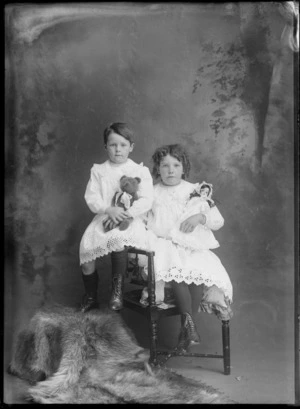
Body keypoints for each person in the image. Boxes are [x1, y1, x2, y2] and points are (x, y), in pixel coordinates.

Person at [145, 144, 233, 351]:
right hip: (164, 245)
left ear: (184, 168)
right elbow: (144, 222)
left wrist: (199, 217)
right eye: (164, 166)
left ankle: (188, 328)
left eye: (176, 165)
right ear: (157, 169)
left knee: (195, 276)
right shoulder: (152, 193)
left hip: (190, 246)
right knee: (177, 273)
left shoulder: (194, 190)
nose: (170, 170)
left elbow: (217, 221)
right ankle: (189, 328)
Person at [79, 122, 153, 313]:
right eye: (113, 145)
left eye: (123, 145)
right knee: (86, 249)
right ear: (106, 147)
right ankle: (90, 296)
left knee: (118, 241)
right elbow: (92, 197)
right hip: (105, 216)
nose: (118, 150)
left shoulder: (139, 171)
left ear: (131, 147)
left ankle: (117, 290)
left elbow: (146, 200)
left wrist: (126, 213)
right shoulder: (98, 170)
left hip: (130, 219)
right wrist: (108, 209)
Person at [168, 181, 220, 251]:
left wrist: (201, 217)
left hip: (195, 221)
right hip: (186, 216)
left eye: (206, 192)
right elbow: (188, 205)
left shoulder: (205, 202)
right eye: (203, 191)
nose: (204, 193)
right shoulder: (194, 198)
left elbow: (214, 218)